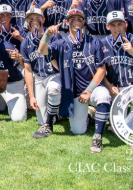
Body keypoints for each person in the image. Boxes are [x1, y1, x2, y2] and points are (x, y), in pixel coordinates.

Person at [38, 9, 111, 153]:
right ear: (67, 22)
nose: (76, 22)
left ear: (84, 22)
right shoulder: (61, 42)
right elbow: (42, 51)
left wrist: (89, 91)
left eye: (79, 19)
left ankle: (97, 138)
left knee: (104, 95)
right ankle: (87, 115)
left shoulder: (94, 42)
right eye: (72, 19)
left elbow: (101, 70)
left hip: (92, 89)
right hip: (74, 93)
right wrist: (46, 35)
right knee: (77, 130)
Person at [101, 11, 133, 150]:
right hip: (116, 89)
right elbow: (99, 71)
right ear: (107, 27)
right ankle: (131, 121)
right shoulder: (102, 43)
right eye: (113, 25)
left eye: (120, 24)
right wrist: (108, 85)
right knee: (117, 129)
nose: (117, 28)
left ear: (126, 24)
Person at [20, 8, 62, 137]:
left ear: (43, 19)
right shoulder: (26, 42)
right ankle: (58, 113)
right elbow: (28, 70)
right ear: (27, 22)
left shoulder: (54, 35)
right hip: (39, 78)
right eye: (31, 19)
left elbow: (60, 65)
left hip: (54, 75)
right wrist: (32, 96)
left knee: (53, 88)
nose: (34, 21)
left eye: (37, 18)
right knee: (42, 121)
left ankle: (61, 107)